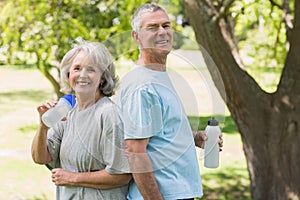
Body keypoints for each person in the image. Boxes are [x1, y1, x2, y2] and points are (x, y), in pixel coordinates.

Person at [117, 3, 223, 200]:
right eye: (152, 27)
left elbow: (156, 132)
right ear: (136, 36)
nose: (162, 32)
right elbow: (135, 151)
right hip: (164, 195)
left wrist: (194, 137)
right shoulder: (142, 86)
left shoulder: (158, 75)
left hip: (178, 192)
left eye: (166, 26)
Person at [31, 39, 131, 200]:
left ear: (103, 78)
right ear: (68, 74)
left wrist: (72, 177)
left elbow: (122, 175)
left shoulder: (108, 114)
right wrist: (43, 126)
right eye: (77, 68)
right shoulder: (67, 111)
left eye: (91, 70)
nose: (82, 75)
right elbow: (40, 158)